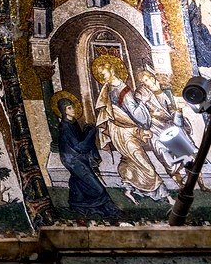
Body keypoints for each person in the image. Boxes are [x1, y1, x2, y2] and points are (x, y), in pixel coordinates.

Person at [93, 57, 172, 204]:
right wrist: (142, 103)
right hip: (124, 132)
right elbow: (139, 117)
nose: (101, 76)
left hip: (118, 131)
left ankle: (130, 188)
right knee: (143, 161)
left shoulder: (113, 89)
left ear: (112, 70)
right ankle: (162, 194)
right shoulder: (122, 90)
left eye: (103, 73)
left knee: (130, 159)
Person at [135, 69, 208, 190]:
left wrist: (178, 112)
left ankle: (201, 185)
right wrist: (151, 114)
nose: (145, 84)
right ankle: (182, 187)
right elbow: (140, 114)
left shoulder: (166, 91)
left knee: (187, 155)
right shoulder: (141, 94)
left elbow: (173, 110)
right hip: (155, 129)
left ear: (152, 77)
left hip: (170, 126)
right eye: (143, 82)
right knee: (168, 161)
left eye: (146, 80)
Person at [56, 97, 120, 218]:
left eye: (72, 107)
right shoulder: (65, 127)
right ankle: (111, 211)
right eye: (69, 108)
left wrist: (86, 131)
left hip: (78, 158)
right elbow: (80, 147)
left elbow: (79, 140)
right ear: (64, 111)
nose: (73, 109)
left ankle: (78, 205)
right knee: (98, 188)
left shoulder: (72, 123)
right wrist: (91, 133)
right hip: (73, 161)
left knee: (79, 181)